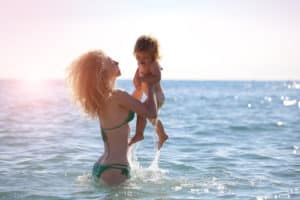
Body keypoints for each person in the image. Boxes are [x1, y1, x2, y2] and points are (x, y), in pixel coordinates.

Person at [67, 50, 157, 185]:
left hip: (103, 165)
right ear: (103, 71)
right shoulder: (117, 96)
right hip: (116, 169)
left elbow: (133, 105)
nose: (117, 62)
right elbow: (151, 113)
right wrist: (151, 85)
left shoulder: (104, 98)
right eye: (111, 61)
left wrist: (139, 85)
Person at [128, 35, 168, 150]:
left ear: (153, 56)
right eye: (138, 56)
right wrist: (137, 81)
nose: (141, 60)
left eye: (145, 57)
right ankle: (145, 134)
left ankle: (144, 134)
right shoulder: (140, 64)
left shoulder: (153, 64)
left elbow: (157, 77)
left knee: (146, 114)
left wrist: (143, 79)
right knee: (146, 115)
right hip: (151, 96)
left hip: (158, 96)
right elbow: (136, 79)